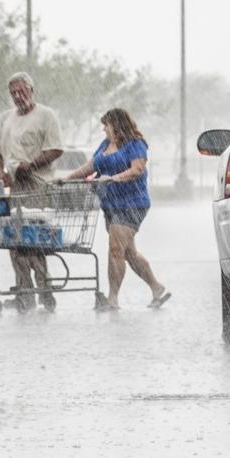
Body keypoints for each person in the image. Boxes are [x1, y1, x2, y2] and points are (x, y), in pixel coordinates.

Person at [65, 108, 170, 310]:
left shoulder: (135, 144)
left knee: (115, 249)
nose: (104, 129)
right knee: (129, 253)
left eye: (106, 125)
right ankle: (157, 287)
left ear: (117, 125)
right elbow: (90, 166)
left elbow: (137, 169)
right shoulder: (105, 145)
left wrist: (113, 178)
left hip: (132, 203)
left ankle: (112, 299)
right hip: (110, 205)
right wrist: (66, 179)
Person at [0, 72, 63, 312]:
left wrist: (30, 165)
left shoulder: (46, 115)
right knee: (15, 242)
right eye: (13, 93)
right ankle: (24, 290)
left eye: (22, 91)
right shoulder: (5, 120)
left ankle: (44, 289)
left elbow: (55, 149)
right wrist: (2, 173)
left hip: (37, 186)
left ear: (31, 90)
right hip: (16, 188)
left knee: (33, 241)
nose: (18, 97)